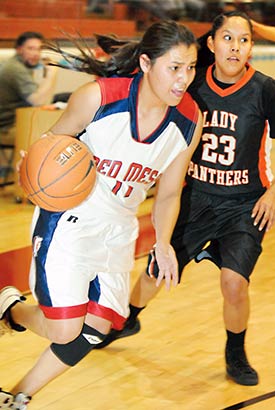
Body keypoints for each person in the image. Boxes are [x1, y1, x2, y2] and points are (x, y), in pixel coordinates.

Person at [0, 20, 202, 408]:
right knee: (64, 330)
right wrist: (37, 163)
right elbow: (53, 141)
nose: (183, 79)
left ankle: (16, 394)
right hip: (70, 218)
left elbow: (170, 191)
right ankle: (11, 309)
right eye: (174, 67)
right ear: (145, 63)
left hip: (119, 227)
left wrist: (162, 244)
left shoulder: (190, 120)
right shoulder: (98, 97)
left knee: (96, 329)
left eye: (190, 68)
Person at [95, 11, 275, 387]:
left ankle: (235, 352)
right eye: (227, 38)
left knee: (234, 283)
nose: (235, 47)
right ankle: (127, 319)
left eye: (244, 40)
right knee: (158, 266)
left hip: (245, 204)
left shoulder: (268, 91)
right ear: (212, 43)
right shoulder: (189, 86)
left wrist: (274, 194)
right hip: (196, 198)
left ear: (252, 47)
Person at [0, 32, 58, 179]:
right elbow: (37, 101)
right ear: (19, 49)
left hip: (13, 123)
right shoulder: (16, 69)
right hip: (6, 129)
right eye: (31, 49)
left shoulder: (17, 65)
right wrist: (51, 74)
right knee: (49, 140)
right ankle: (39, 184)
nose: (36, 54)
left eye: (39, 49)